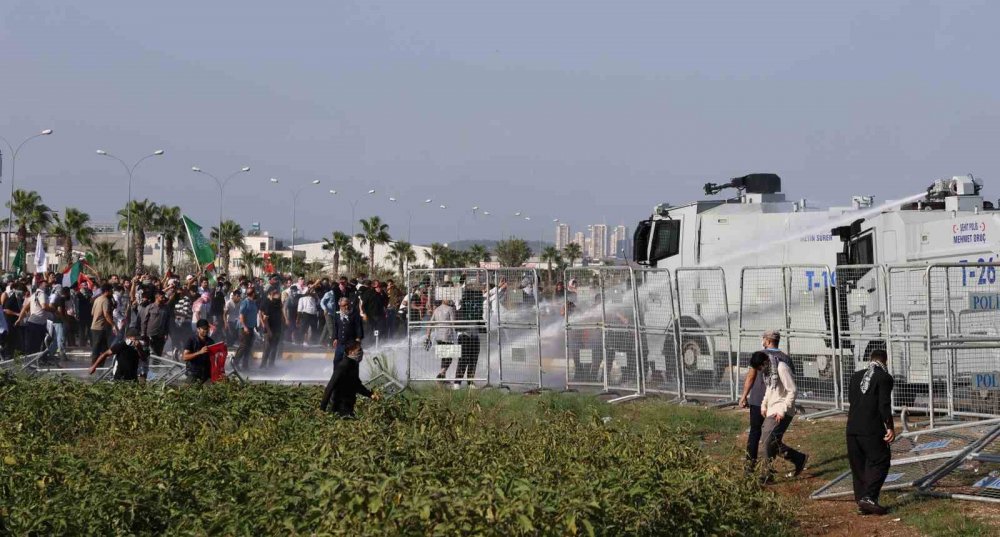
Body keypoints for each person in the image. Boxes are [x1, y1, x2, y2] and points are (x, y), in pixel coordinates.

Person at [847, 349, 895, 516]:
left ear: (870, 359)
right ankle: (869, 497)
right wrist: (890, 426)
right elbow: (884, 405)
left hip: (852, 428)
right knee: (881, 460)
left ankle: (862, 502)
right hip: (871, 428)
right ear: (885, 361)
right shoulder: (885, 378)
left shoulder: (855, 376)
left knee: (859, 466)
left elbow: (852, 400)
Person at [759, 330, 809, 482]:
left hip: (781, 410)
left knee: (766, 439)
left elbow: (792, 389)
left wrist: (782, 410)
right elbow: (771, 387)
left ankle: (767, 475)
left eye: (763, 340)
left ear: (767, 342)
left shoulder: (781, 366)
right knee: (773, 441)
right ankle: (798, 458)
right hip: (772, 408)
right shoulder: (771, 366)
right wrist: (764, 404)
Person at [320, 341, 380, 418]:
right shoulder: (343, 366)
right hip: (340, 407)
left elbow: (357, 385)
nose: (361, 352)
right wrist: (322, 410)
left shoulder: (353, 365)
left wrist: (370, 394)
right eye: (358, 350)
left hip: (348, 406)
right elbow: (329, 388)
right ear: (350, 352)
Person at [738, 351, 769, 471]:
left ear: (767, 341)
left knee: (755, 433)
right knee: (771, 435)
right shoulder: (781, 357)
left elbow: (751, 376)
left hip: (758, 400)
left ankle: (750, 465)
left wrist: (744, 396)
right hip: (774, 402)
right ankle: (768, 466)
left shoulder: (759, 357)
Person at [427, 298, 457, 384]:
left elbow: (430, 323)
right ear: (444, 300)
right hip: (448, 336)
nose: (451, 300)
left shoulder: (436, 309)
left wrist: (428, 336)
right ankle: (440, 375)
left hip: (438, 336)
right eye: (449, 298)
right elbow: (454, 322)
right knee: (449, 358)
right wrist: (455, 311)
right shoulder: (450, 309)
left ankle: (442, 378)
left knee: (444, 357)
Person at [89, 284, 117, 363]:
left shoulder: (97, 299)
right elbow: (106, 314)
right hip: (100, 327)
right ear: (107, 291)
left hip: (95, 326)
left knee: (99, 347)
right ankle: (95, 365)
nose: (112, 292)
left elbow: (92, 313)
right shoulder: (105, 300)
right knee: (98, 348)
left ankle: (98, 365)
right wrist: (113, 325)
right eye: (111, 291)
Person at [332, 297, 364, 366]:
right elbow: (335, 327)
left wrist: (359, 338)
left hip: (351, 342)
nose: (346, 307)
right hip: (341, 342)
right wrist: (335, 338)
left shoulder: (354, 314)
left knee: (352, 362)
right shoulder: (337, 315)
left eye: (348, 305)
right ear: (340, 306)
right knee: (336, 360)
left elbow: (358, 326)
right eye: (344, 305)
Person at [182, 319, 215, 383]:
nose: (206, 330)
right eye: (204, 328)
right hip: (194, 373)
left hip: (206, 374)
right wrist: (199, 352)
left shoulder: (211, 341)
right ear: (198, 329)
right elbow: (185, 357)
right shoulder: (191, 340)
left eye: (207, 328)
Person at [260, 287, 286, 369]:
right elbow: (264, 318)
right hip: (269, 329)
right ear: (271, 295)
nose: (277, 296)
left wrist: (284, 320)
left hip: (277, 328)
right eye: (275, 294)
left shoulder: (278, 304)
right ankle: (263, 365)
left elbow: (281, 312)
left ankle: (271, 364)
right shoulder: (268, 304)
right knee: (267, 348)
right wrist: (268, 330)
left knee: (274, 347)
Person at [235, 287, 259, 370]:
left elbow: (253, 315)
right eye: (255, 292)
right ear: (252, 293)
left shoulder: (253, 302)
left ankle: (245, 365)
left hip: (251, 327)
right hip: (244, 327)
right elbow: (241, 316)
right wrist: (245, 327)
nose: (256, 294)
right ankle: (235, 362)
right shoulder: (245, 302)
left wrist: (255, 326)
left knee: (249, 346)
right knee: (243, 345)